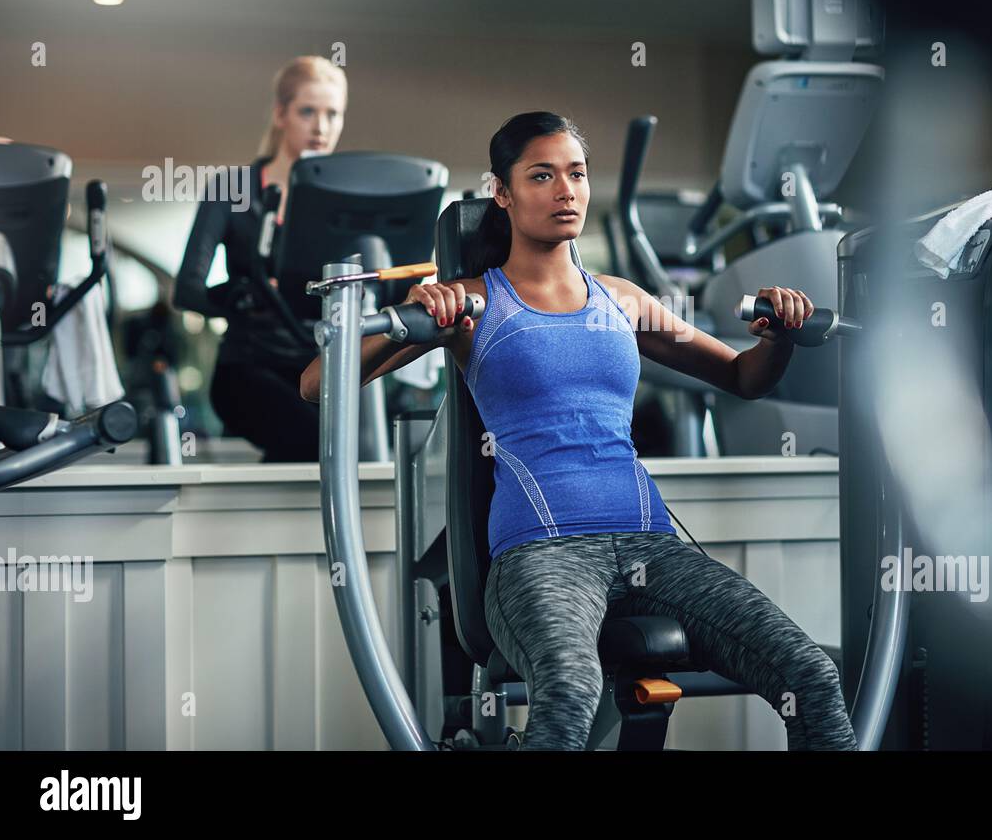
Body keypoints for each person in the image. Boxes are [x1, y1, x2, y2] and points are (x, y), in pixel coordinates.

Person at [301, 111, 856, 750]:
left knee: (810, 673)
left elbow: (743, 377)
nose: (566, 190)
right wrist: (425, 308)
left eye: (577, 174)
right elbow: (320, 384)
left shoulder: (623, 299)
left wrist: (780, 337)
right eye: (542, 176)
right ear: (502, 195)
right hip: (541, 553)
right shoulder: (471, 302)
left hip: (652, 546)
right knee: (569, 688)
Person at [175, 56, 346, 462]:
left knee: (326, 454)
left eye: (333, 114)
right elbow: (187, 290)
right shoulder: (233, 188)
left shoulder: (341, 197)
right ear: (281, 114)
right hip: (248, 369)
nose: (321, 127)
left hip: (319, 369)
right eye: (308, 112)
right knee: (313, 443)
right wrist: (240, 296)